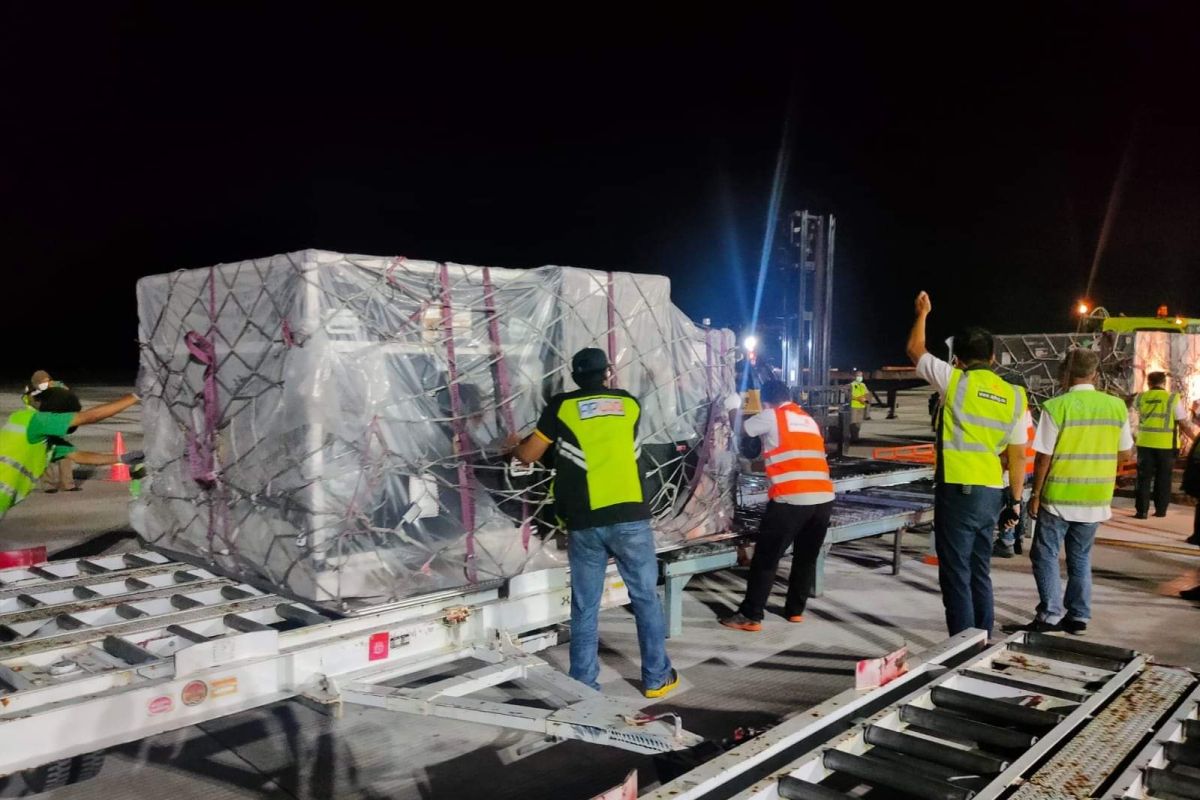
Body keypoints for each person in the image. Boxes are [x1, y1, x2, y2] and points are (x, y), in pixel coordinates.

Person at [509, 348, 678, 699]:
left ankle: (584, 684)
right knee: (645, 597)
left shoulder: (562, 406)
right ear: (607, 373)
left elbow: (529, 455)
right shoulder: (629, 404)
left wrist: (512, 445)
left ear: (574, 376)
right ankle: (656, 679)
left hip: (584, 520)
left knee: (585, 605)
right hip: (631, 516)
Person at [906, 291, 1026, 636]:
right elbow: (1017, 454)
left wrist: (922, 314)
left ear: (957, 358)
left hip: (958, 490)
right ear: (993, 357)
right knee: (978, 570)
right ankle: (983, 639)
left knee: (955, 573)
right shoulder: (1013, 395)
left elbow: (915, 350)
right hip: (992, 492)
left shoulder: (954, 380)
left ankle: (961, 647)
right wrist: (1015, 502)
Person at [1024, 349, 1133, 634]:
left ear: (1065, 374)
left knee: (1044, 555)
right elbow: (1125, 453)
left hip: (1059, 497)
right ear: (1095, 374)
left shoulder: (1057, 406)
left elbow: (1043, 456)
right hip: (1095, 498)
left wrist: (1035, 494)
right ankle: (1079, 616)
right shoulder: (1116, 406)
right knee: (1080, 557)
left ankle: (1049, 615)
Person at [719, 380, 834, 632]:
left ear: (767, 401)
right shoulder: (808, 419)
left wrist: (732, 406)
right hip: (823, 500)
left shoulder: (773, 416)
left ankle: (750, 615)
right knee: (806, 558)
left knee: (766, 559)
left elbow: (741, 428)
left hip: (791, 500)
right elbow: (793, 454)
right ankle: (795, 611)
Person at [1, 387, 141, 521]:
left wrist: (121, 458)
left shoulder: (43, 437)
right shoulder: (36, 421)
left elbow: (79, 456)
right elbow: (90, 416)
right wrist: (136, 396)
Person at [1133, 372, 1195, 519]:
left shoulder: (1140, 397)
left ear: (1149, 383)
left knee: (1143, 478)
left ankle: (1141, 512)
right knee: (1163, 478)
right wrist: (1195, 439)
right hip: (1166, 446)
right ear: (1164, 383)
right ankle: (1160, 511)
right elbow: (1183, 422)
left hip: (1144, 443)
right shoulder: (1172, 398)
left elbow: (1133, 418)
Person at [993, 386, 1036, 559]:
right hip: (1029, 466)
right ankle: (1018, 538)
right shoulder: (1025, 410)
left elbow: (1009, 447)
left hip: (1013, 466)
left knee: (1009, 502)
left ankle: (1006, 541)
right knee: (1020, 501)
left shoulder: (1009, 409)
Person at [23, 371, 75, 492]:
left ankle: (68, 484)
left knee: (65, 454)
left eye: (47, 380)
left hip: (57, 425)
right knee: (46, 456)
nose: (46, 383)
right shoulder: (32, 394)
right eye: (43, 381)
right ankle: (48, 485)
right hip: (41, 426)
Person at [849, 371, 869, 441]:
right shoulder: (851, 385)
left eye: (861, 376)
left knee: (858, 423)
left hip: (861, 406)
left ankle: (856, 437)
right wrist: (858, 399)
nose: (860, 377)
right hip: (854, 406)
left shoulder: (863, 385)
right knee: (853, 422)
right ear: (855, 377)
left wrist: (866, 402)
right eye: (858, 376)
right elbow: (848, 395)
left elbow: (867, 394)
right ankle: (853, 437)